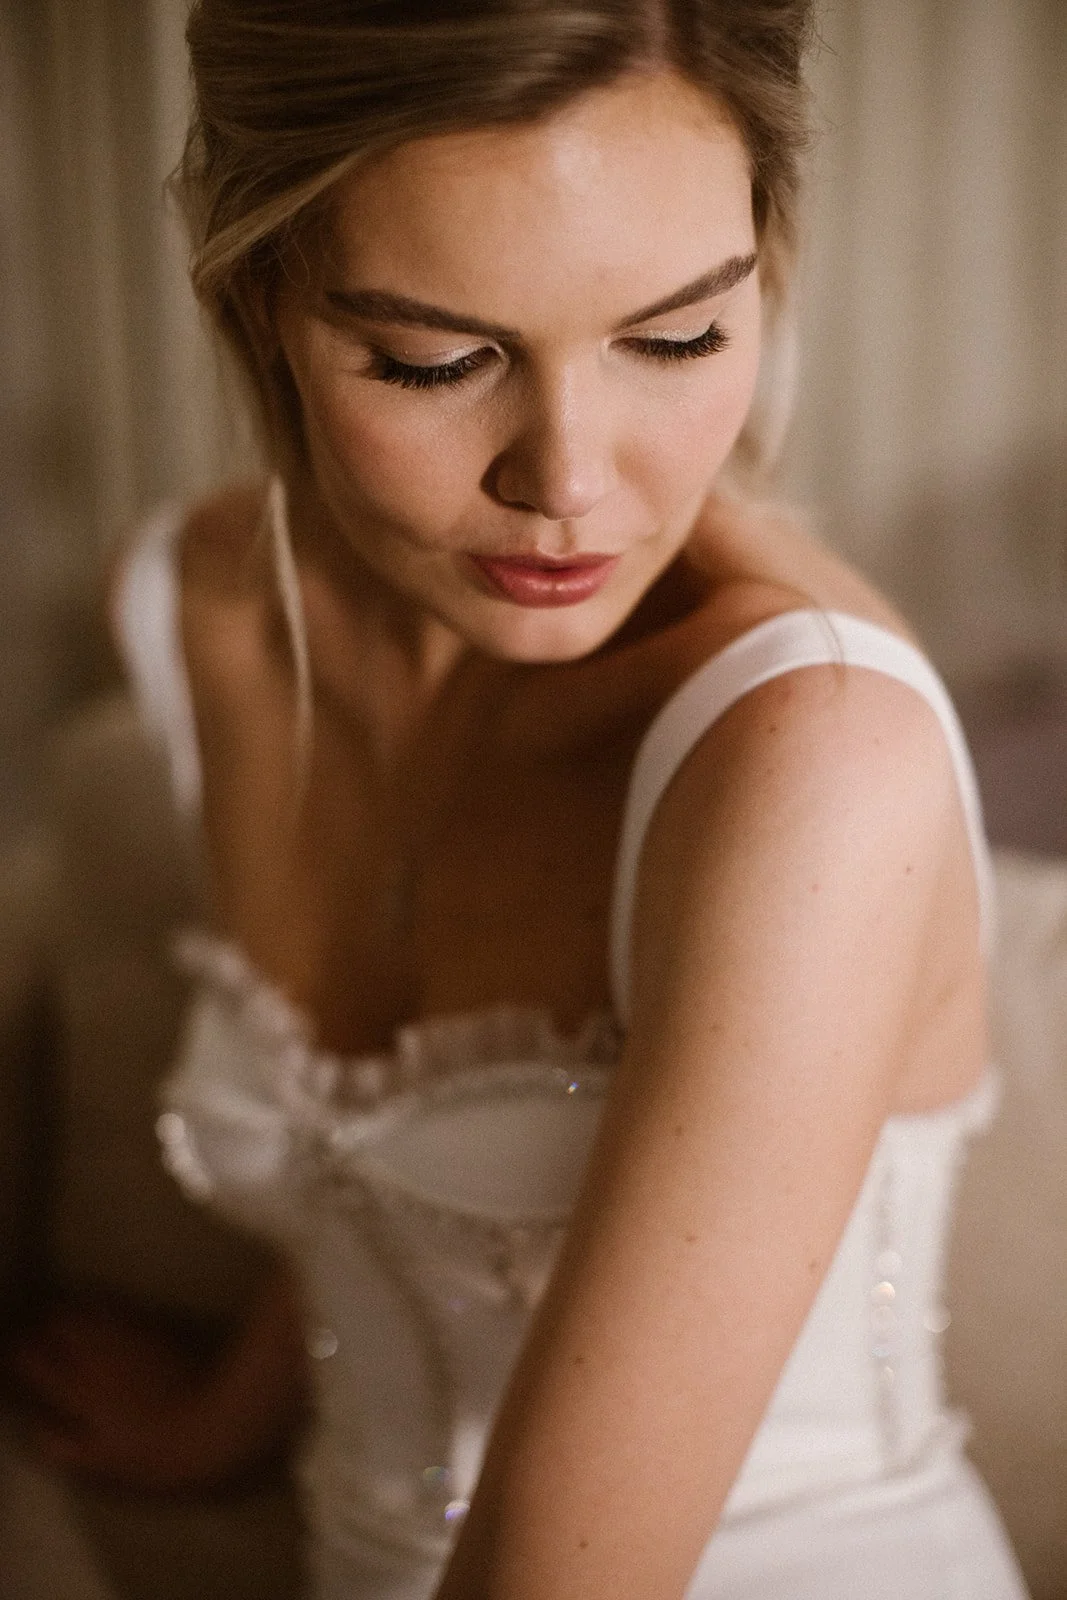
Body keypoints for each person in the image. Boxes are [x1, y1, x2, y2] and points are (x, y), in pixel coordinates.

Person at [12, 1, 1031, 1596]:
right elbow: (376, 1158)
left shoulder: (812, 754)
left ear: (762, 267)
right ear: (259, 292)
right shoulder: (214, 604)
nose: (567, 479)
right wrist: (223, 1418)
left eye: (676, 336)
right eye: (433, 359)